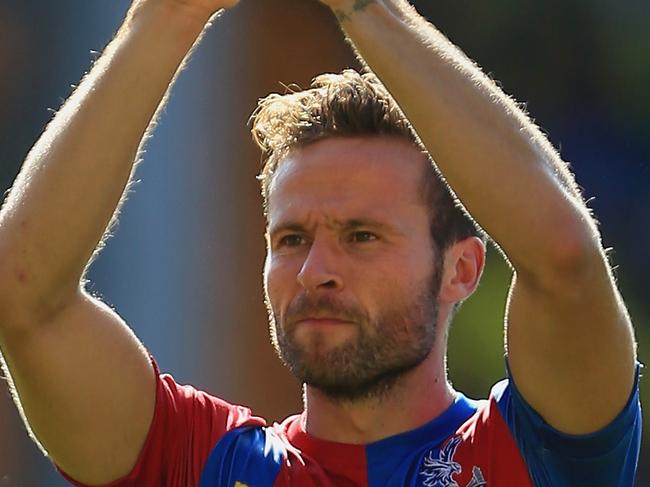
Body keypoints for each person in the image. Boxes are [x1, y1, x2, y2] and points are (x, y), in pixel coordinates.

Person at [0, 0, 641, 485]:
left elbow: (563, 258)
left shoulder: (533, 455)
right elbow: (23, 296)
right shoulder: (201, 459)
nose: (315, 271)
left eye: (362, 236)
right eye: (291, 238)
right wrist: (165, 19)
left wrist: (364, 8)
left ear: (462, 268)